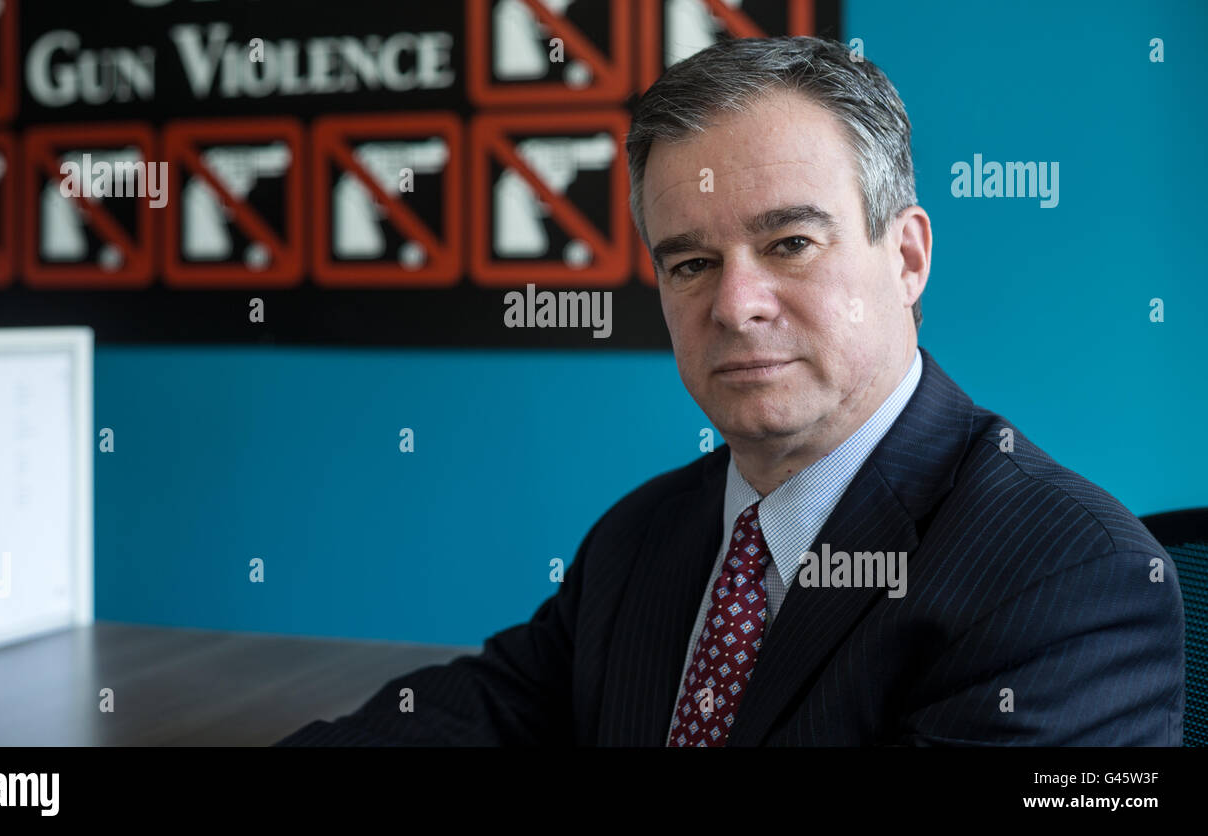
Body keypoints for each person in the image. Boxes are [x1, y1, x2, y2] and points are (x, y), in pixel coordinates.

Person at [276, 36, 1184, 746]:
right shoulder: (646, 535)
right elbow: (485, 714)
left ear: (906, 258)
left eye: (790, 243)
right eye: (692, 263)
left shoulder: (1071, 578)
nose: (735, 305)